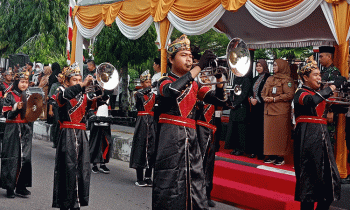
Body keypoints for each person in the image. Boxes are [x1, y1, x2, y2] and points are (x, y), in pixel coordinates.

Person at [153, 34, 229, 210]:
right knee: (170, 185)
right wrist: (199, 66)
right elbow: (172, 90)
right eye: (183, 55)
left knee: (195, 183)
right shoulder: (164, 81)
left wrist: (219, 80)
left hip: (191, 139)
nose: (189, 59)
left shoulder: (195, 86)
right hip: (170, 139)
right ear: (171, 59)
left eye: (190, 56)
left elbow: (221, 100)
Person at [294, 56, 346, 210]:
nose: (319, 77)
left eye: (319, 74)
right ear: (305, 77)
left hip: (322, 139)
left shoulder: (318, 94)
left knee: (330, 182)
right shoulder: (301, 92)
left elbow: (334, 108)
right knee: (308, 182)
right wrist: (331, 87)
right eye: (315, 75)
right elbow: (311, 101)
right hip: (307, 139)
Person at [52, 63, 94, 210]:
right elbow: (64, 96)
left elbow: (92, 107)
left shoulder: (84, 96)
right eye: (74, 80)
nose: (78, 82)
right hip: (68, 135)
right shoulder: (61, 91)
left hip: (82, 135)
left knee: (83, 170)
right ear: (67, 81)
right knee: (67, 170)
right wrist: (82, 85)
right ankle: (65, 203)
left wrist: (102, 91)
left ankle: (76, 202)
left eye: (79, 79)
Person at [1, 70, 33, 198]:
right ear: (16, 82)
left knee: (25, 158)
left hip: (25, 128)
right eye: (22, 82)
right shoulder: (9, 95)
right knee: (12, 158)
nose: (24, 85)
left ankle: (21, 186)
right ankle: (10, 187)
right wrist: (16, 108)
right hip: (13, 128)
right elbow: (7, 114)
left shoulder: (30, 95)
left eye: (26, 82)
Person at [261, 59, 294, 165]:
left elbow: (290, 95)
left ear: (282, 66)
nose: (273, 67)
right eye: (273, 65)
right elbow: (262, 91)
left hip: (281, 112)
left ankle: (280, 156)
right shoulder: (270, 79)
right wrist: (265, 98)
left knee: (280, 135)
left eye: (275, 65)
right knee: (270, 135)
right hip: (269, 111)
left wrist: (274, 99)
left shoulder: (287, 80)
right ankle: (271, 155)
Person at [196, 74, 219, 208]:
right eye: (204, 78)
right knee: (198, 164)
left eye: (208, 79)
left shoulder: (214, 96)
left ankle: (207, 195)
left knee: (209, 165)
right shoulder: (196, 94)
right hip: (198, 131)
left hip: (211, 132)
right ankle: (197, 195)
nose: (207, 81)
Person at [129, 70, 156, 187]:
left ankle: (148, 176)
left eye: (150, 81)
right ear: (142, 83)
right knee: (140, 148)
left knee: (152, 148)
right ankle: (139, 177)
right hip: (142, 122)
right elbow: (141, 95)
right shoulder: (138, 93)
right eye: (146, 82)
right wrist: (153, 86)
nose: (149, 83)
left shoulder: (154, 96)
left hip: (152, 122)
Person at [246, 59, 270, 159]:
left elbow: (269, 92)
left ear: (264, 66)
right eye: (257, 66)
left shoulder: (269, 78)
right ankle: (253, 151)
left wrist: (259, 100)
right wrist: (251, 99)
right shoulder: (255, 78)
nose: (258, 68)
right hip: (254, 107)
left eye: (260, 66)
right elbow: (249, 91)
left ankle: (261, 152)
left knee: (262, 130)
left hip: (264, 107)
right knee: (254, 129)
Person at [224, 71, 251, 156]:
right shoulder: (236, 79)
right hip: (234, 108)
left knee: (241, 129)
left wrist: (235, 104)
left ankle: (241, 149)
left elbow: (244, 94)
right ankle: (235, 148)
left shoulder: (246, 80)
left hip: (242, 108)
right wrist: (231, 102)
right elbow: (232, 92)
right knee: (234, 128)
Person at [48, 72, 65, 148]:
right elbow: (51, 98)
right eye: (58, 77)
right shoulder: (55, 86)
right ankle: (55, 141)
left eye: (61, 77)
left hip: (63, 107)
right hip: (56, 106)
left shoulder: (66, 86)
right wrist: (50, 109)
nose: (59, 78)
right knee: (56, 123)